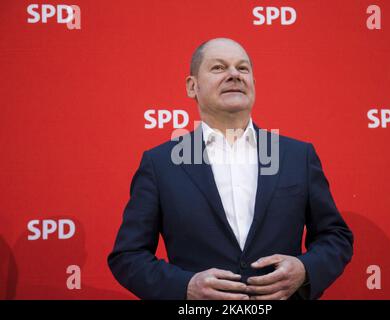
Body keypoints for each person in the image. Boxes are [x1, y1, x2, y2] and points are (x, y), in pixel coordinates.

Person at [107, 38, 353, 300]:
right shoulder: (161, 164)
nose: (234, 74)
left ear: (254, 85)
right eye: (218, 68)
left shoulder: (297, 156)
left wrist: (305, 270)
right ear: (192, 86)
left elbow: (335, 236)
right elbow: (128, 256)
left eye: (242, 68)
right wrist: (184, 287)